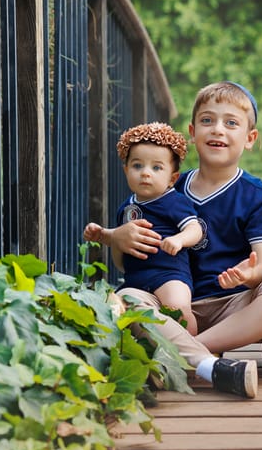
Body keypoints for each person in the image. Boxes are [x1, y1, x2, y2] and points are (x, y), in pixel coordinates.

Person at [96, 81, 262, 399]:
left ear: (250, 138)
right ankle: (200, 360)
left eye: (231, 123)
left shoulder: (257, 194)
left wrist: (249, 274)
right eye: (207, 120)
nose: (217, 129)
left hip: (227, 306)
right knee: (132, 300)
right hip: (170, 303)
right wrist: (120, 241)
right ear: (192, 132)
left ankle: (178, 355)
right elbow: (128, 262)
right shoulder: (165, 184)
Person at [84, 122, 203, 336]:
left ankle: (197, 345)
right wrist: (105, 235)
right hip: (135, 279)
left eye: (156, 168)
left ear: (172, 178)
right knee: (115, 307)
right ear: (126, 170)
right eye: (138, 166)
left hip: (170, 274)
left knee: (178, 310)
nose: (146, 173)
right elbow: (120, 263)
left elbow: (196, 229)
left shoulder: (174, 202)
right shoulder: (127, 208)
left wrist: (179, 239)